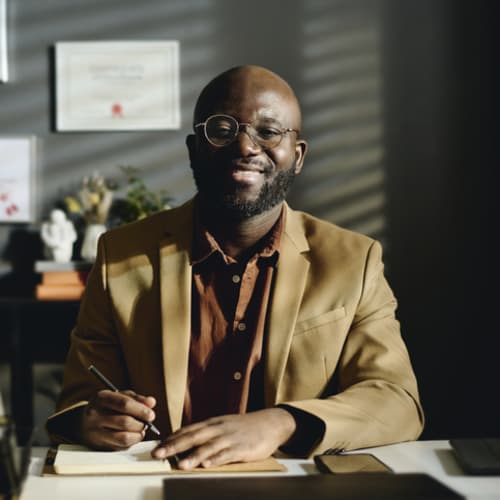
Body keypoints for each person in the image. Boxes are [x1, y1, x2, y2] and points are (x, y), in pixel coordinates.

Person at [46, 65, 424, 469]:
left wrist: (283, 423)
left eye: (268, 131)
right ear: (194, 149)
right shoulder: (121, 255)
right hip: (159, 482)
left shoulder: (353, 260)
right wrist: (93, 421)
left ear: (296, 157)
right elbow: (79, 399)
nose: (245, 146)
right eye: (222, 130)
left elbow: (395, 400)